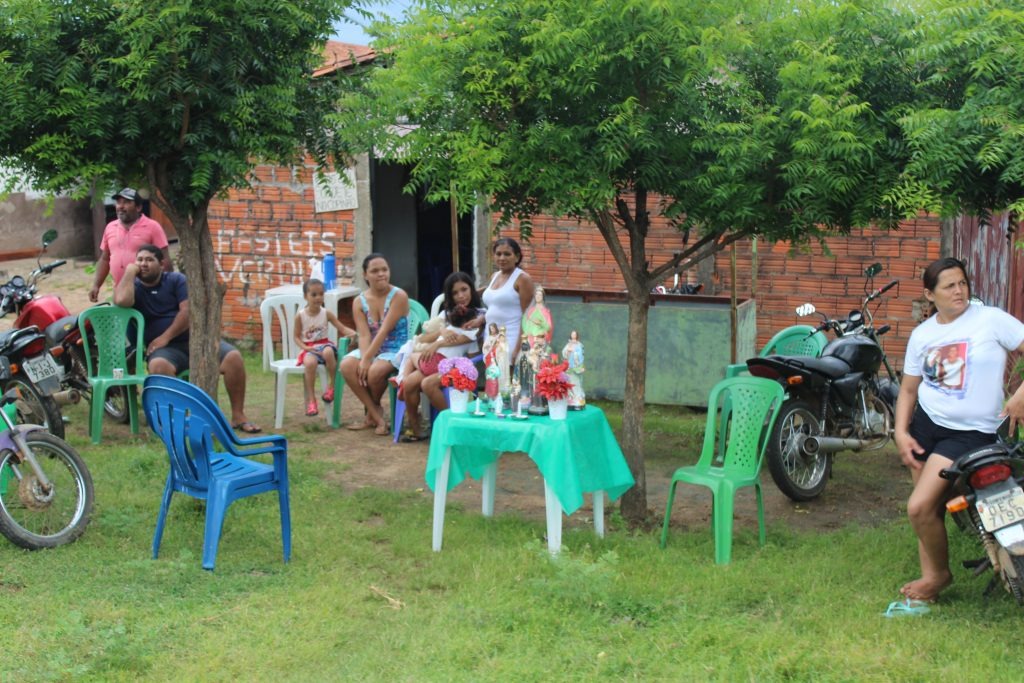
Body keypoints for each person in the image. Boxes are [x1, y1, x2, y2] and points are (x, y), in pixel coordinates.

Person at [894, 257, 1024, 603]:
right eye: (949, 285)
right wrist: (900, 431)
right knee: (931, 509)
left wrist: (1020, 395)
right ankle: (930, 580)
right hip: (926, 426)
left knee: (918, 508)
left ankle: (938, 576)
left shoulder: (990, 320)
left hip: (970, 433)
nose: (959, 291)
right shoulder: (923, 334)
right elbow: (908, 390)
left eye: (963, 283)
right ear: (929, 295)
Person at [113, 244, 261, 433]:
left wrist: (165, 337)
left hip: (194, 341)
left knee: (234, 358)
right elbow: (121, 301)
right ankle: (180, 419)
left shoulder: (176, 280)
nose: (144, 264)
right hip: (165, 352)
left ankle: (238, 416)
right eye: (140, 260)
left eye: (149, 260)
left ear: (162, 263)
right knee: (158, 367)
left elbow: (188, 311)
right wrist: (129, 272)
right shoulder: (134, 287)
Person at [399, 272, 484, 441]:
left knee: (427, 383)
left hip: (456, 365)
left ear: (471, 290)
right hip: (436, 360)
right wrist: (442, 331)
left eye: (464, 289)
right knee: (410, 383)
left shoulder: (478, 315)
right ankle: (416, 427)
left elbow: (469, 342)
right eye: (455, 293)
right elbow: (423, 338)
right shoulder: (447, 315)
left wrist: (439, 343)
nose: (460, 296)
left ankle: (452, 424)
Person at [339, 253, 410, 435]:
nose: (381, 274)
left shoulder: (399, 296)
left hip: (395, 348)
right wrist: (364, 357)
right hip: (372, 347)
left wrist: (367, 359)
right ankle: (377, 416)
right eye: (375, 271)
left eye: (384, 270)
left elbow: (384, 329)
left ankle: (372, 413)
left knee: (374, 371)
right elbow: (363, 335)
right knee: (347, 365)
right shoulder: (359, 301)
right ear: (365, 275)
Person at [90, 188, 174, 302]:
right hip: (121, 291)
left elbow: (165, 260)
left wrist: (167, 289)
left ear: (138, 207)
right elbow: (105, 259)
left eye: (127, 202)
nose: (121, 206)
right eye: (119, 202)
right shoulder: (110, 227)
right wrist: (96, 285)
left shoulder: (152, 227)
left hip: (147, 291)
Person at [294, 278, 356, 417]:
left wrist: (354, 333)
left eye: (321, 294)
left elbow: (341, 327)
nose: (318, 298)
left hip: (324, 344)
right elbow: (296, 337)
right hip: (310, 347)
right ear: (306, 296)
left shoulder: (326, 313)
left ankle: (331, 387)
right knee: (310, 363)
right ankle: (311, 400)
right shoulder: (300, 316)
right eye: (314, 295)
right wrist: (306, 348)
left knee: (328, 352)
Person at [480, 237, 535, 364]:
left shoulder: (522, 279)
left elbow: (528, 316)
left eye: (507, 254)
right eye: (498, 254)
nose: (502, 258)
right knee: (493, 380)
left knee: (506, 381)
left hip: (511, 338)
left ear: (516, 257)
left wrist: (519, 347)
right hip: (491, 338)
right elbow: (494, 305)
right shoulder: (495, 276)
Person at [521, 285, 553, 350]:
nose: (538, 296)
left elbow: (549, 328)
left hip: (539, 341)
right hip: (529, 340)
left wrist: (540, 323)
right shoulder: (530, 311)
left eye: (540, 295)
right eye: (536, 294)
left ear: (543, 297)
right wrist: (527, 332)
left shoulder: (545, 312)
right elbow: (524, 323)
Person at [562, 329, 586, 409]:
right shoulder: (568, 344)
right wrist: (567, 351)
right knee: (569, 382)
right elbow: (564, 352)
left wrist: (574, 352)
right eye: (572, 334)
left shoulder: (579, 345)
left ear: (576, 335)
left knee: (577, 382)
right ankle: (570, 398)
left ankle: (578, 398)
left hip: (576, 367)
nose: (573, 335)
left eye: (574, 334)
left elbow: (581, 355)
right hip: (569, 367)